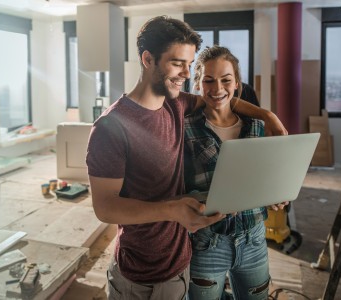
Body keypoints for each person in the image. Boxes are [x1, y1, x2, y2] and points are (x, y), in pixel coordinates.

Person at [86, 16, 286, 300]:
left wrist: (268, 115)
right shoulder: (110, 126)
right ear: (147, 59)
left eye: (190, 64)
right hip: (138, 271)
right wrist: (173, 209)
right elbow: (105, 208)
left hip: (180, 263)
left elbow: (220, 97)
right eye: (178, 63)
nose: (185, 73)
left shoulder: (177, 104)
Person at [184, 45, 288, 300]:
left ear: (236, 83)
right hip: (208, 242)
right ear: (198, 83)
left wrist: (275, 195)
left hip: (253, 238)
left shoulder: (256, 126)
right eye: (208, 80)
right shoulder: (185, 128)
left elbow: (265, 177)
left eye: (225, 80)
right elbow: (179, 186)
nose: (217, 88)